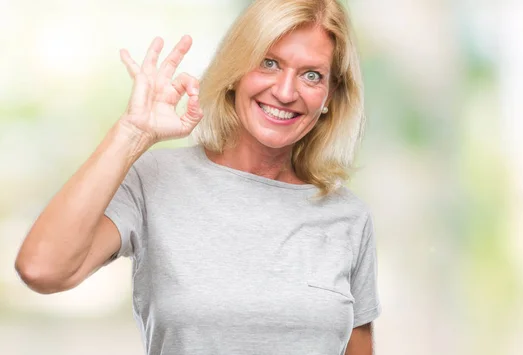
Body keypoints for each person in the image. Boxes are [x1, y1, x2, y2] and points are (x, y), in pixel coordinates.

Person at [15, 0, 381, 354]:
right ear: (236, 69)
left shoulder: (349, 217)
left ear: (330, 95)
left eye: (311, 75)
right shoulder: (156, 181)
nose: (286, 92)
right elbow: (42, 269)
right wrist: (132, 133)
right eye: (268, 63)